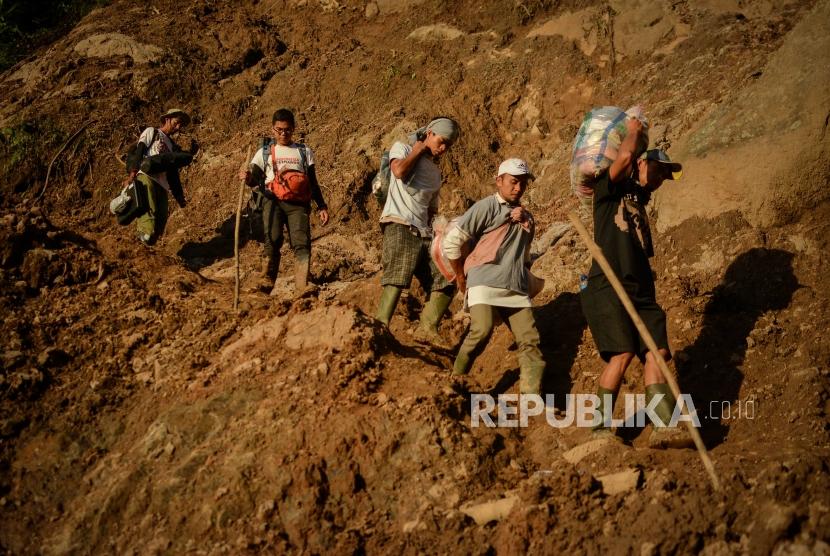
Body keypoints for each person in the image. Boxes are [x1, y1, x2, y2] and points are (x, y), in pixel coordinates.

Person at [579, 117, 691, 448]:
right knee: (623, 354)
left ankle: (664, 428)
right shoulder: (608, 190)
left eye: (666, 176)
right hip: (607, 285)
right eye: (659, 171)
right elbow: (625, 159)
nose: (660, 179)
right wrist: (633, 131)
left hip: (642, 290)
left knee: (657, 352)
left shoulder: (640, 203)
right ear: (642, 163)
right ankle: (600, 430)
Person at [443, 158, 545, 395]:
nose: (518, 188)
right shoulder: (486, 207)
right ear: (499, 181)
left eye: (522, 183)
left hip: (515, 286)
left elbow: (524, 256)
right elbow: (452, 243)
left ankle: (532, 397)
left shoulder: (528, 218)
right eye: (513, 182)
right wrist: (460, 275)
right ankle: (456, 381)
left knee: (529, 339)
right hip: (484, 281)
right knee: (481, 329)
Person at [375, 117, 460, 342]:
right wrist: (418, 149)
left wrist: (440, 231)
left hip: (424, 232)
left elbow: (431, 209)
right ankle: (380, 327)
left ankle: (427, 327)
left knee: (448, 276)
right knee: (397, 276)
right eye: (441, 141)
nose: (443, 149)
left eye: (448, 146)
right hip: (399, 223)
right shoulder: (402, 148)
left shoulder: (435, 172)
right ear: (430, 133)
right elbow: (399, 171)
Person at [239, 108, 329, 292]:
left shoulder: (304, 151)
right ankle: (266, 282)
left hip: (298, 204)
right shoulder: (264, 152)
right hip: (272, 201)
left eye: (287, 130)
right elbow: (254, 179)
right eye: (279, 130)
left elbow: (312, 181)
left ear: (293, 129)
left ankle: (302, 285)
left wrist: (321, 206)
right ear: (272, 129)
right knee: (272, 238)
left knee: (301, 242)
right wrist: (247, 177)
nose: (283, 134)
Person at [125, 108, 196, 246]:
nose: (178, 127)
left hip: (162, 185)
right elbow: (140, 150)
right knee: (148, 217)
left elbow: (173, 173)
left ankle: (148, 249)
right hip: (147, 177)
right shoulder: (152, 132)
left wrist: (179, 197)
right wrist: (133, 172)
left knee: (160, 222)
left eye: (181, 124)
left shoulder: (172, 146)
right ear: (167, 119)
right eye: (177, 122)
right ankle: (139, 245)